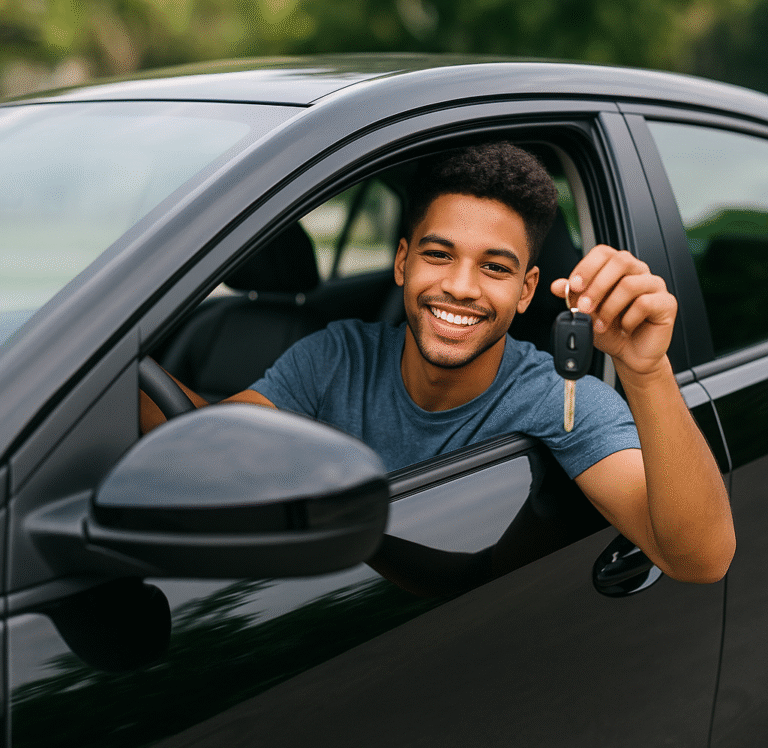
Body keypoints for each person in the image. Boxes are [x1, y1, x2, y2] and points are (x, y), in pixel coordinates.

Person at [142, 141, 735, 585]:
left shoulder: (558, 396)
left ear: (528, 291)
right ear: (402, 262)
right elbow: (204, 444)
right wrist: (115, 367)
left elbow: (701, 558)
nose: (459, 286)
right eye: (438, 255)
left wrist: (646, 369)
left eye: (495, 268)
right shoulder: (337, 354)